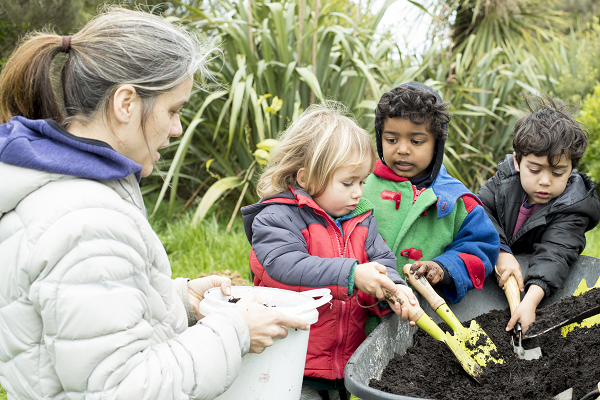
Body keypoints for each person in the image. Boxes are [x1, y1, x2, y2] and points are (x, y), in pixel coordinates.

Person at [0, 8, 308, 400]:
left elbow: (80, 322)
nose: (177, 128)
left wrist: (180, 300)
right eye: (173, 110)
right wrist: (236, 329)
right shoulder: (86, 220)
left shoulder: (68, 190)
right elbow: (123, 387)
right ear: (125, 103)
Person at [240, 105, 418, 400]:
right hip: (290, 362)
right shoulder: (278, 217)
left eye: (362, 182)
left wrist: (394, 288)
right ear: (307, 178)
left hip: (341, 367)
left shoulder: (361, 219)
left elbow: (383, 261)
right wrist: (352, 274)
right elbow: (287, 266)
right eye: (348, 183)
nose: (358, 192)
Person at [362, 81, 500, 304]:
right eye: (391, 139)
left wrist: (443, 268)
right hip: (363, 319)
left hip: (425, 319)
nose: (403, 149)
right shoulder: (361, 186)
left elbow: (481, 247)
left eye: (416, 141)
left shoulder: (457, 200)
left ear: (437, 144)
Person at [477, 95, 600, 332]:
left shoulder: (574, 205)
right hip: (499, 275)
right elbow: (479, 212)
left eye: (557, 173)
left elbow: (556, 253)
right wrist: (501, 252)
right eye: (535, 170)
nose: (545, 182)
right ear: (517, 161)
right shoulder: (503, 182)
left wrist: (531, 302)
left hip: (538, 284)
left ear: (572, 169)